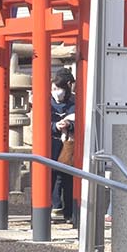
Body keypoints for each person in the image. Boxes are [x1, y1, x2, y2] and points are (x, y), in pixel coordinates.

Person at [51, 66, 77, 224]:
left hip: (68, 142)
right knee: (53, 176)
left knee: (67, 177)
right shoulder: (46, 101)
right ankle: (55, 206)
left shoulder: (74, 101)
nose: (57, 91)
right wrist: (54, 126)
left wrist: (69, 124)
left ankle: (68, 211)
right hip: (51, 141)